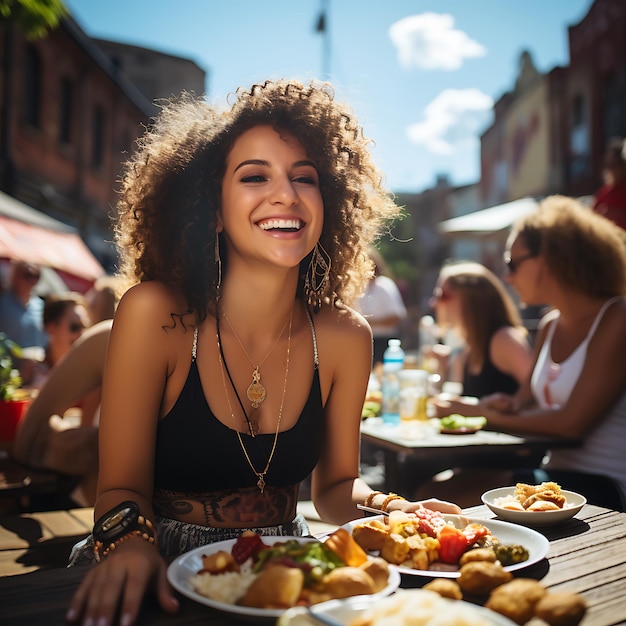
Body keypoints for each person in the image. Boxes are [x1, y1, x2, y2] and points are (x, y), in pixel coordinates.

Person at [65, 80, 461, 626]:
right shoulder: (155, 314)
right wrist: (130, 546)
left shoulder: (346, 337)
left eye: (305, 178)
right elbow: (119, 488)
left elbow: (337, 489)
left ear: (330, 205)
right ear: (212, 209)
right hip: (154, 567)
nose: (287, 195)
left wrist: (395, 511)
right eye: (255, 177)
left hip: (287, 572)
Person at [430, 196, 626, 510]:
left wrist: (478, 412)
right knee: (431, 492)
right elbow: (522, 403)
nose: (507, 277)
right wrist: (496, 404)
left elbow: (570, 424)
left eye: (512, 263)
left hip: (605, 487)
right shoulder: (550, 324)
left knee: (445, 500)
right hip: (554, 477)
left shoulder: (616, 317)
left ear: (551, 258)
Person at [12, 320, 112, 508]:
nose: (79, 333)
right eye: (74, 326)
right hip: (78, 502)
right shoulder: (110, 339)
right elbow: (30, 434)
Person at [429, 261, 533, 407]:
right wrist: (443, 369)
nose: (434, 303)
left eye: (442, 296)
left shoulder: (505, 340)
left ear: (471, 300)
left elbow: (537, 398)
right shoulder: (469, 347)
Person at [26, 291, 90, 390]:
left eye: (84, 327)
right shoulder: (30, 369)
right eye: (75, 327)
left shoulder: (90, 375)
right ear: (51, 327)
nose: (81, 334)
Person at [354, 247, 407, 365]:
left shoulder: (384, 285)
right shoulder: (355, 287)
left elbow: (396, 316)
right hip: (359, 341)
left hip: (382, 342)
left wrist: (367, 322)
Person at [0, 260, 46, 349]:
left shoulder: (41, 305)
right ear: (15, 276)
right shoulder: (2, 303)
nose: (32, 280)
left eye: (36, 276)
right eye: (28, 275)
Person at [592, 136, 626, 230]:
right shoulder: (603, 193)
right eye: (608, 164)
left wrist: (617, 215)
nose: (610, 169)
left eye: (614, 164)